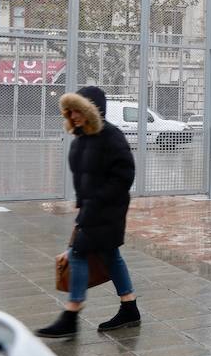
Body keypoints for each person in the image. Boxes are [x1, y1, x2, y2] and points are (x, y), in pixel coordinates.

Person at [37, 86, 141, 339]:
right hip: (92, 209)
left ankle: (71, 314)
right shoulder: (81, 139)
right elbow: (81, 178)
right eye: (69, 111)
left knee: (78, 253)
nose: (71, 116)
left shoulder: (111, 137)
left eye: (76, 111)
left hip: (108, 210)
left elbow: (124, 176)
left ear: (91, 111)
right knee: (110, 255)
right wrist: (83, 204)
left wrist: (95, 200)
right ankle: (130, 307)